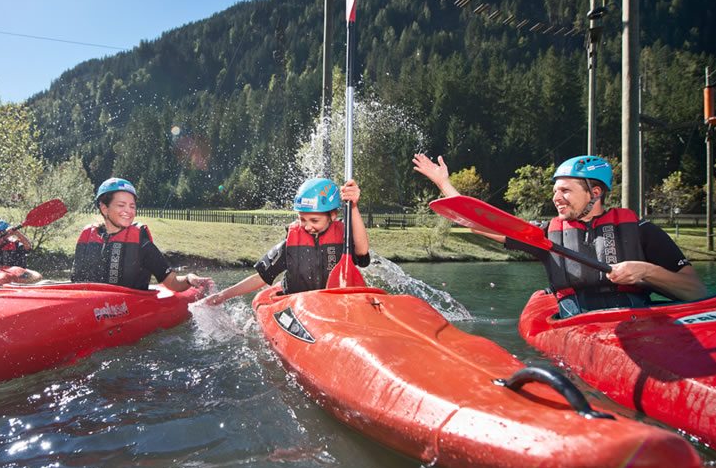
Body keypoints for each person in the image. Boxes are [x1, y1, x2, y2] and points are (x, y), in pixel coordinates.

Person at [413, 153, 707, 317]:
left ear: (595, 193)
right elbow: (477, 221)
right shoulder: (545, 235)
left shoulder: (643, 232)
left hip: (637, 323)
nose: (557, 198)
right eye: (555, 191)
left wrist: (647, 271)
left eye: (565, 190)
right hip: (575, 325)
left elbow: (695, 292)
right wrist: (443, 183)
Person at [202, 177, 370, 305]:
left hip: (333, 305)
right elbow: (261, 277)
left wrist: (353, 206)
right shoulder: (291, 242)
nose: (307, 226)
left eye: (315, 221)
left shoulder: (343, 235)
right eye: (302, 219)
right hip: (299, 305)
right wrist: (222, 295)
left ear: (333, 215)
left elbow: (362, 250)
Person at [72, 177, 210, 292]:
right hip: (89, 302)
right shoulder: (88, 236)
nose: (129, 211)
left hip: (131, 304)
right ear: (104, 208)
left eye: (132, 206)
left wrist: (189, 279)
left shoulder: (142, 245)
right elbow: (75, 283)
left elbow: (173, 282)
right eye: (121, 205)